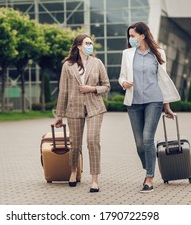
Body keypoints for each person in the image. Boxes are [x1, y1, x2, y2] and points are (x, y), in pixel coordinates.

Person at [118, 21, 175, 193]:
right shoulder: (127, 54)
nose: (130, 38)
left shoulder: (158, 53)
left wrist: (167, 105)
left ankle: (149, 177)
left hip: (154, 101)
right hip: (134, 102)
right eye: (129, 36)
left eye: (133, 35)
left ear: (142, 35)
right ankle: (150, 162)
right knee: (140, 144)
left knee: (148, 138)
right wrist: (124, 83)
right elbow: (121, 76)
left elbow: (163, 81)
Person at [54, 34, 110, 193]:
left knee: (92, 141)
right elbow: (63, 91)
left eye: (91, 43)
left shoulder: (97, 63)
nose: (90, 45)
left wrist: (92, 89)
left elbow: (106, 86)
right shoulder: (68, 65)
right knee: (75, 143)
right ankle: (73, 172)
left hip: (95, 107)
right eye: (87, 43)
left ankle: (95, 179)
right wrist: (59, 115)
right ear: (78, 46)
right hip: (74, 108)